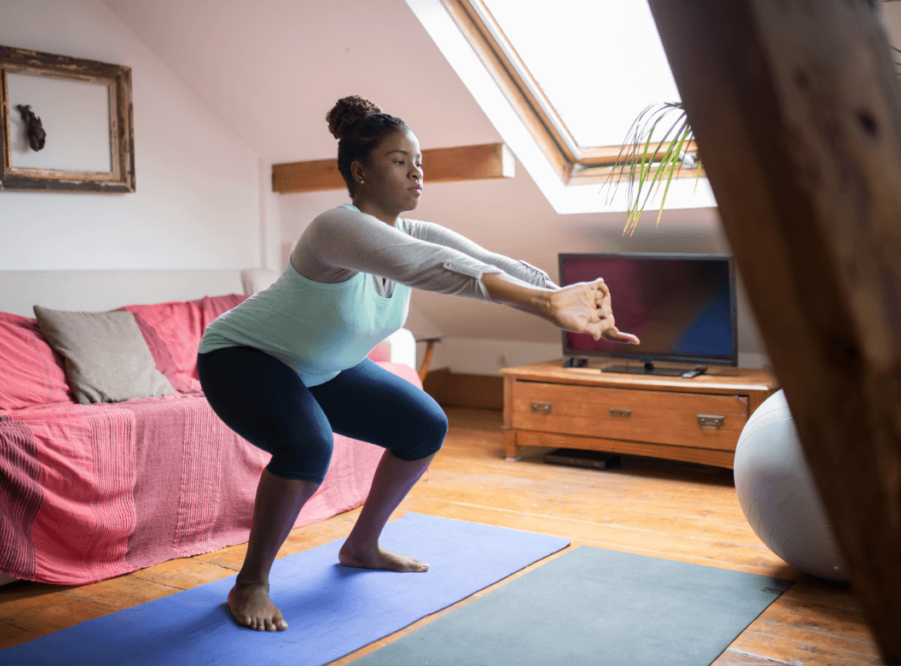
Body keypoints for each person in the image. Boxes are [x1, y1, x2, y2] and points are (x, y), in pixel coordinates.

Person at [196, 95, 639, 632]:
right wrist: (547, 306)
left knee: (423, 425)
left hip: (318, 366)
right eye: (399, 161)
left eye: (418, 162)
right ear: (359, 171)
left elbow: (487, 263)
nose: (416, 172)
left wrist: (567, 296)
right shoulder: (335, 229)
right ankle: (250, 585)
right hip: (242, 358)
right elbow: (431, 268)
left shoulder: (413, 232)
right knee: (308, 444)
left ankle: (362, 545)